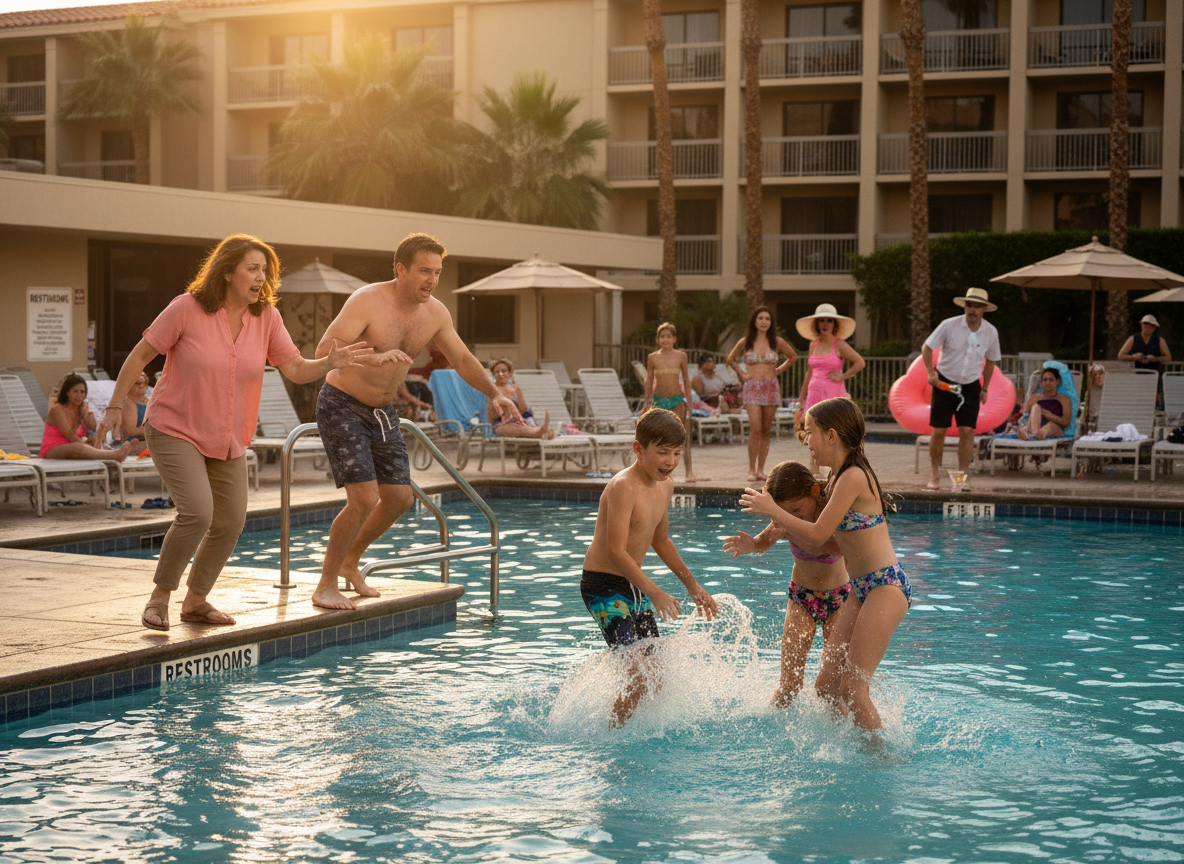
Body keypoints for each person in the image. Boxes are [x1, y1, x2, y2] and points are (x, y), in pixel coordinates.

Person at [95, 233, 372, 632]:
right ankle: (160, 598)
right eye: (252, 269)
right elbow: (141, 354)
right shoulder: (186, 309)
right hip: (175, 427)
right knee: (198, 512)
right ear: (227, 272)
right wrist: (114, 406)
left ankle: (196, 602)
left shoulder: (267, 318)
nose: (261, 278)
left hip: (227, 436)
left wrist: (331, 361)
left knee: (230, 520)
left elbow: (294, 368)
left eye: (265, 271)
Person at [311, 233, 521, 611]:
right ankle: (325, 585)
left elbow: (463, 359)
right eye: (425, 271)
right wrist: (372, 358)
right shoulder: (367, 301)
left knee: (399, 499)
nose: (432, 280)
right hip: (342, 404)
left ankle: (350, 560)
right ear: (401, 269)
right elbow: (324, 350)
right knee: (363, 498)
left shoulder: (436, 313)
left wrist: (495, 394)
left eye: (437, 272)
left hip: (383, 410)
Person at [740, 397, 910, 731]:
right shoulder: (837, 479)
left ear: (831, 435)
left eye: (810, 432)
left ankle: (881, 762)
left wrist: (773, 510)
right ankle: (845, 747)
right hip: (860, 590)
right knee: (826, 686)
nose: (807, 441)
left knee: (853, 688)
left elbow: (818, 535)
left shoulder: (853, 478)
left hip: (884, 585)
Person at [580, 408, 718, 726]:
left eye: (676, 453)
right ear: (639, 449)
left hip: (632, 584)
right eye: (662, 452)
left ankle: (630, 728)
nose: (670, 461)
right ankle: (610, 738)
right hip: (603, 586)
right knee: (639, 679)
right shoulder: (622, 487)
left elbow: (662, 541)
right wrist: (655, 592)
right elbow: (615, 552)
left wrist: (693, 586)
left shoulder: (665, 486)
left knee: (656, 675)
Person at [723, 460, 857, 709]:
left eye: (795, 511)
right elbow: (765, 541)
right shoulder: (783, 520)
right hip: (802, 597)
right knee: (789, 685)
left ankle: (840, 736)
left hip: (840, 599)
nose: (790, 518)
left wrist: (791, 531)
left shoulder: (830, 512)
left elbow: (837, 548)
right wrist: (753, 545)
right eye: (783, 513)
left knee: (833, 688)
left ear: (814, 492)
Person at [921, 287, 1001, 491]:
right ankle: (935, 473)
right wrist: (931, 373)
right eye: (969, 305)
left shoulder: (990, 331)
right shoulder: (949, 325)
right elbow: (927, 347)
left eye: (977, 306)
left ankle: (962, 477)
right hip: (945, 383)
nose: (972, 309)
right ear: (965, 306)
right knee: (939, 430)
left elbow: (991, 361)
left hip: (971, 384)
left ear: (984, 309)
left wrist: (985, 388)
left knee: (967, 430)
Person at [726, 306, 798, 483]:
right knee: (756, 429)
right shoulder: (746, 342)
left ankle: (761, 469)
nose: (764, 322)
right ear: (754, 321)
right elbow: (730, 359)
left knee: (766, 430)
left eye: (767, 319)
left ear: (771, 323)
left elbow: (793, 356)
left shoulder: (776, 341)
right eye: (761, 318)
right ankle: (751, 469)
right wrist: (742, 374)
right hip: (752, 387)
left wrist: (779, 369)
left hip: (771, 387)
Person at [796, 303, 865, 473]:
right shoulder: (814, 344)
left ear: (835, 324)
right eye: (821, 320)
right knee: (812, 435)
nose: (825, 323)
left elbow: (860, 362)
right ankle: (814, 475)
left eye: (829, 320)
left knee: (833, 434)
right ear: (817, 324)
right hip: (813, 395)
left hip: (832, 395)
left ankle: (837, 472)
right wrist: (802, 396)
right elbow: (809, 371)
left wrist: (843, 376)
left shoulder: (839, 344)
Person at [644, 322, 703, 482]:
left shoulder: (680, 356)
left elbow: (685, 378)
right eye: (662, 336)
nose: (665, 339)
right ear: (657, 339)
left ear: (674, 339)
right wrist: (646, 402)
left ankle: (689, 472)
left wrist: (689, 400)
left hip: (677, 401)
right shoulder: (653, 357)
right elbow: (649, 380)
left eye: (668, 336)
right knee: (656, 438)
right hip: (658, 401)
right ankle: (656, 472)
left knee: (683, 436)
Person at [41, 374, 136, 461]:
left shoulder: (81, 409)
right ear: (67, 392)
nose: (79, 395)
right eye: (75, 391)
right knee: (78, 447)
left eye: (82, 392)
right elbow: (70, 436)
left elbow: (93, 427)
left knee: (92, 440)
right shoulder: (57, 410)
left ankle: (109, 459)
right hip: (52, 449)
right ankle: (113, 456)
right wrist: (85, 446)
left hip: (72, 446)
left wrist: (86, 414)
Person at [488, 357, 552, 439]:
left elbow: (523, 409)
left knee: (521, 427)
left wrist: (520, 416)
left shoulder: (515, 388)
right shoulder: (491, 390)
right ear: (493, 374)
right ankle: (540, 432)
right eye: (497, 371)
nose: (500, 374)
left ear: (509, 373)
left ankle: (541, 431)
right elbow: (490, 416)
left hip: (517, 420)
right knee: (517, 429)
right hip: (500, 424)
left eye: (504, 371)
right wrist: (504, 409)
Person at [1119, 314, 1172, 406]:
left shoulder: (1159, 340)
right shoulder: (1133, 339)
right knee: (1138, 400)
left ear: (1154, 328)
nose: (1147, 328)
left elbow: (1168, 357)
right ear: (1141, 325)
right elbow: (1120, 356)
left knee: (1155, 401)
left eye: (1150, 326)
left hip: (1155, 374)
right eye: (1145, 325)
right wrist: (1133, 357)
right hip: (1138, 375)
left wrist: (1155, 359)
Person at [1016, 367, 1071, 441]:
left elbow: (1066, 422)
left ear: (1057, 382)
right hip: (1035, 427)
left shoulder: (1064, 399)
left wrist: (1050, 416)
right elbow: (1025, 416)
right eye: (1045, 380)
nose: (1047, 383)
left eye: (1051, 380)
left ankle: (1033, 435)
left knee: (1049, 426)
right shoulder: (1035, 398)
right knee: (1036, 407)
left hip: (1056, 428)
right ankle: (1034, 434)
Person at [119, 372, 151, 443]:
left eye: (145, 382)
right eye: (137, 383)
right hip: (133, 442)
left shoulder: (150, 401)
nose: (141, 385)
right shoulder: (127, 403)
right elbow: (131, 431)